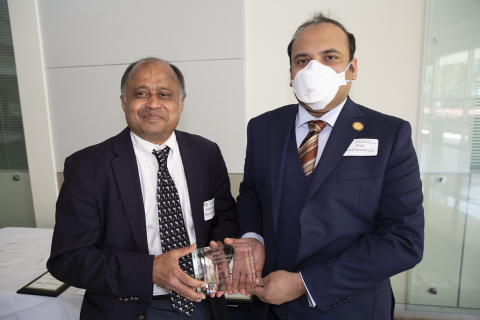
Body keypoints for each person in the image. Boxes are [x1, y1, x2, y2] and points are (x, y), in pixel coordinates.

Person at [229, 12, 424, 320]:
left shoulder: (389, 134)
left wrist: (303, 283)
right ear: (291, 72)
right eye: (302, 60)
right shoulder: (263, 127)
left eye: (329, 57)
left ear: (353, 68)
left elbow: (403, 239)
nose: (313, 69)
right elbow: (252, 193)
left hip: (349, 308)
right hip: (268, 305)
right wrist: (254, 238)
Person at [47, 57, 238, 320]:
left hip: (204, 304)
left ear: (180, 103)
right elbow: (68, 259)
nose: (153, 103)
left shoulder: (206, 153)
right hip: (131, 307)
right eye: (140, 93)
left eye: (164, 94)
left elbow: (224, 214)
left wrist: (218, 252)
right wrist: (148, 269)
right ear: (124, 103)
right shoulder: (87, 167)